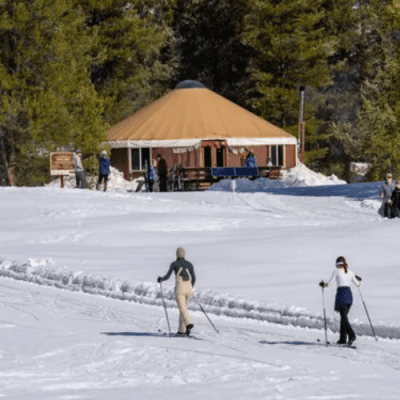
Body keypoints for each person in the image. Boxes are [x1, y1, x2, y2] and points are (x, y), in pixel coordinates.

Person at [319, 256, 360, 347]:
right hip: (349, 297)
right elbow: (358, 284)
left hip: (341, 296)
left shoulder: (336, 271)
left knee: (344, 318)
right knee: (343, 317)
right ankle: (342, 339)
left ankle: (352, 335)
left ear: (337, 264)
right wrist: (357, 279)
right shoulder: (350, 272)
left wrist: (323, 285)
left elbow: (329, 284)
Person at [157, 247, 196, 336]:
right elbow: (194, 278)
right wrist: (190, 286)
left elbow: (167, 276)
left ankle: (189, 323)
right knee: (184, 308)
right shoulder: (189, 264)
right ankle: (182, 330)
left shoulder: (174, 264)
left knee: (182, 308)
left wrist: (161, 279)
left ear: (177, 254)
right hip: (189, 288)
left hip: (180, 288)